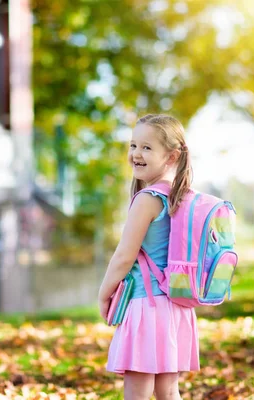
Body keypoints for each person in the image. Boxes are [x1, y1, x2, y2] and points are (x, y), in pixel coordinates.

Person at [98, 114, 199, 400]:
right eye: (133, 145)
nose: (136, 154)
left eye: (146, 147)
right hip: (175, 306)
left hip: (146, 307)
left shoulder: (147, 199)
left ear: (172, 155)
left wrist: (104, 294)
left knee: (137, 393)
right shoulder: (180, 196)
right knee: (168, 391)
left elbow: (123, 257)